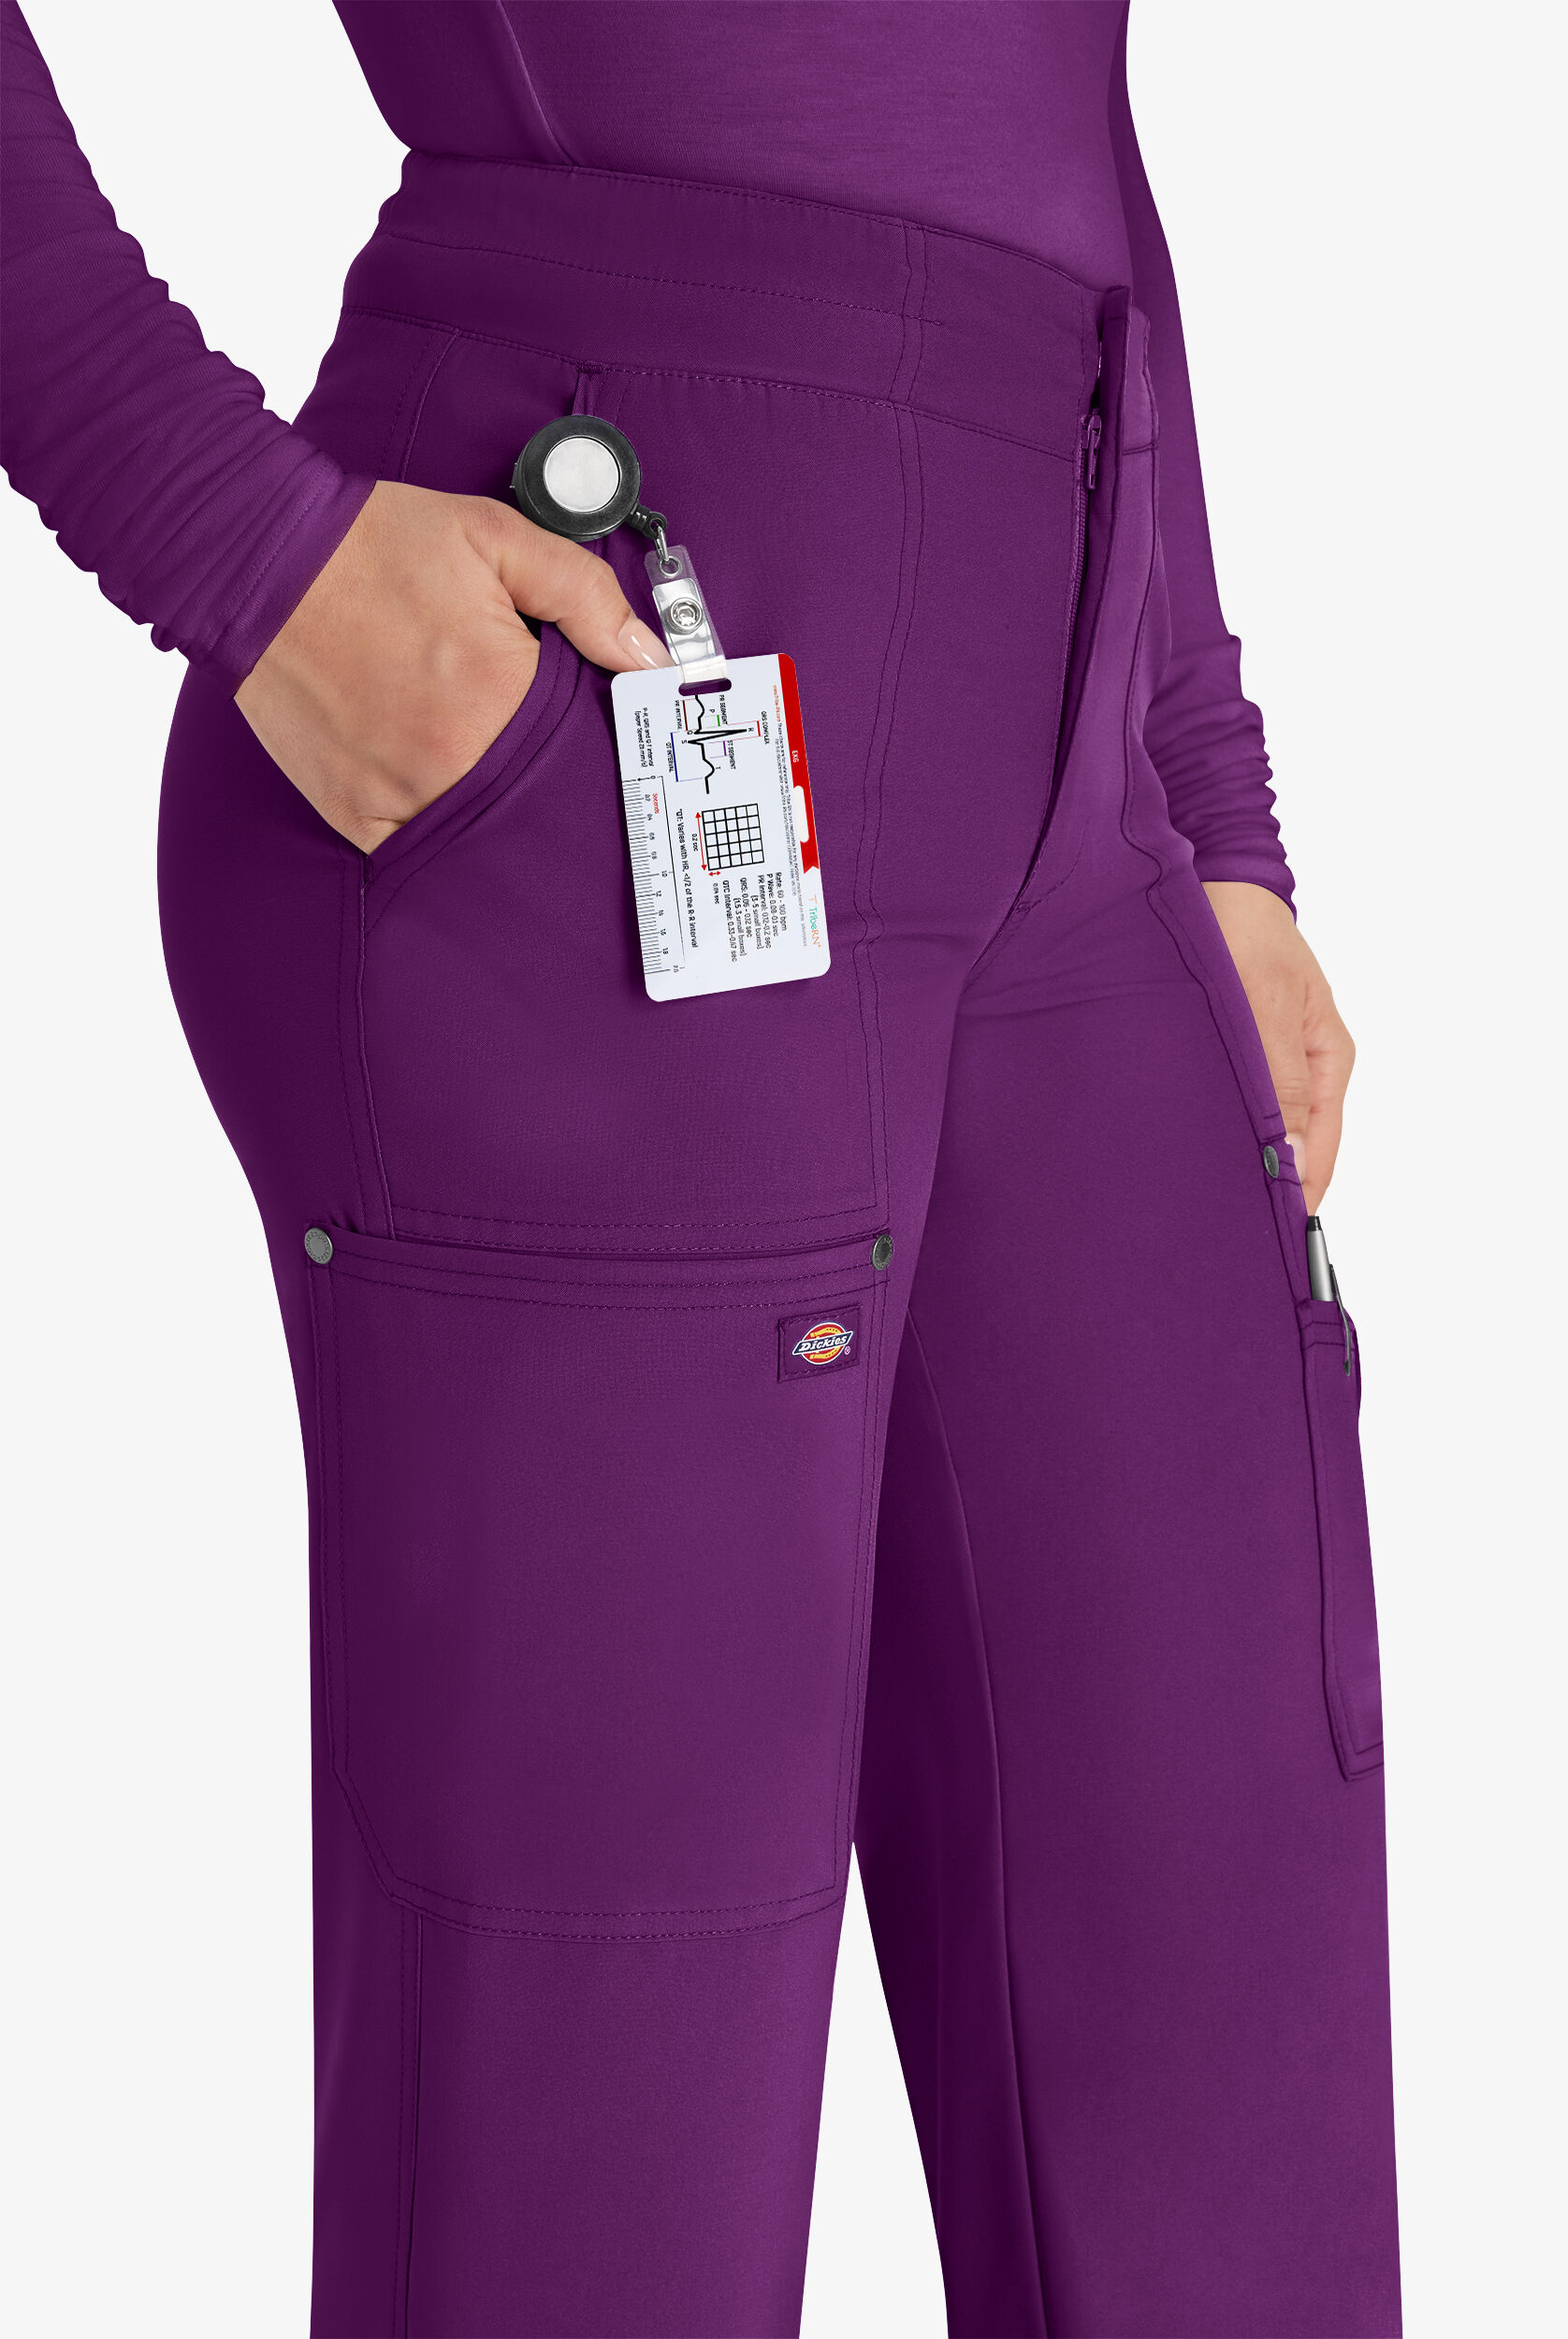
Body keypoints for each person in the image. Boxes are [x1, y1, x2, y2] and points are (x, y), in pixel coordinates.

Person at [1, 5, 1401, 2332]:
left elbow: (1049, 90)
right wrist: (216, 525)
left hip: (1080, 730)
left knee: (1222, 2118)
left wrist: (1198, 777)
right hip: (602, 665)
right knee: (600, 2170)